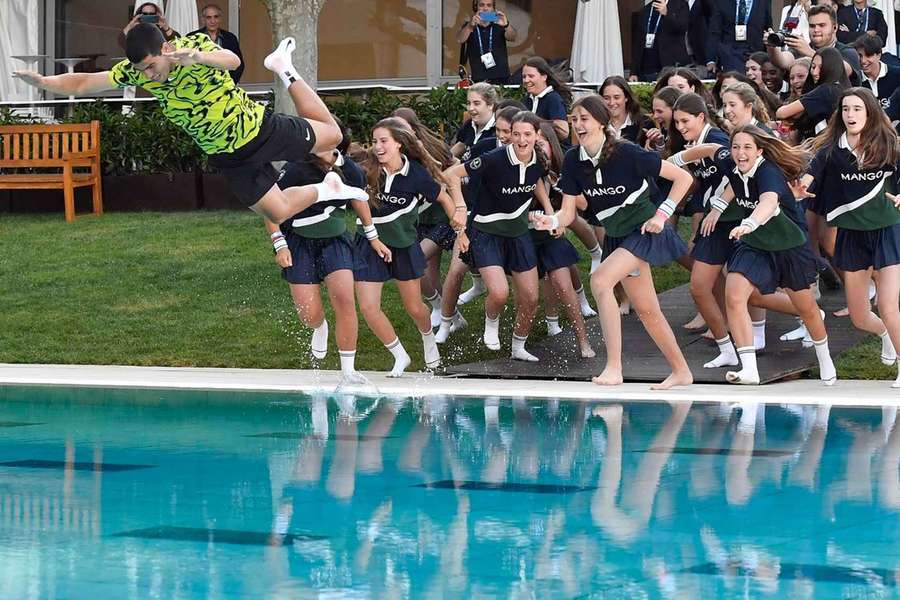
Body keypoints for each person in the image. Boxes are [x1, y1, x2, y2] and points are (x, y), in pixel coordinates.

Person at [15, 27, 363, 227]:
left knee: (332, 135)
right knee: (280, 211)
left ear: (166, 48)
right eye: (142, 71)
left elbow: (233, 61)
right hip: (227, 157)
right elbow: (83, 83)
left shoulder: (192, 48)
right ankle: (329, 188)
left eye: (152, 66)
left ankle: (284, 67)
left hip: (257, 131)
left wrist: (199, 57)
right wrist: (44, 81)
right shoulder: (137, 71)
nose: (149, 76)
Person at [536, 95, 695, 390]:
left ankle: (613, 367)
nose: (578, 124)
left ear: (601, 122)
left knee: (600, 280)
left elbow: (682, 178)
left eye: (584, 118)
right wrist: (553, 221)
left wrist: (662, 215)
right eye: (574, 119)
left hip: (644, 229)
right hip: (618, 235)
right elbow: (569, 212)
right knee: (647, 309)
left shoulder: (628, 153)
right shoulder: (574, 159)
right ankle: (681, 370)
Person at [706, 126, 836, 385]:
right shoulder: (730, 162)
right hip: (754, 244)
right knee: (734, 294)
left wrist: (750, 223)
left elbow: (768, 202)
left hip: (788, 245)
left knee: (807, 307)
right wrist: (673, 161)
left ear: (760, 151)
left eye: (747, 148)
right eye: (735, 147)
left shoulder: (768, 173)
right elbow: (709, 150)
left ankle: (825, 358)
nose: (740, 153)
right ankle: (749, 370)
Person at [263, 122, 383, 384]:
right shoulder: (296, 168)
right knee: (309, 313)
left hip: (336, 240)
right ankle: (319, 326)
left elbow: (358, 199)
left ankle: (348, 371)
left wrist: (373, 238)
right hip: (298, 241)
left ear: (336, 139)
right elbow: (269, 206)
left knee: (344, 299)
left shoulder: (350, 169)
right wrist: (279, 244)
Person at [804, 87, 900, 387]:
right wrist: (799, 187)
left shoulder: (887, 143)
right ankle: (885, 334)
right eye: (846, 109)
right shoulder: (832, 150)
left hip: (887, 231)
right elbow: (810, 175)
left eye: (857, 108)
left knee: (888, 306)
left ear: (869, 111)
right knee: (860, 317)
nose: (851, 115)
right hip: (852, 236)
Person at [355, 118, 461, 376]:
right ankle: (399, 355)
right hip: (369, 244)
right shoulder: (365, 170)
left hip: (403, 245)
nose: (378, 147)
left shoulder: (416, 174)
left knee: (414, 307)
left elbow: (443, 197)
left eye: (384, 141)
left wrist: (457, 219)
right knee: (368, 307)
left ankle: (428, 340)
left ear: (399, 144)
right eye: (375, 141)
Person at [443, 111, 552, 362]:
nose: (521, 140)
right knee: (500, 292)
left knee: (531, 297)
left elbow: (535, 179)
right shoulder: (493, 158)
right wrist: (460, 207)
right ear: (509, 135)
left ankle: (518, 346)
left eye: (527, 134)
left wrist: (548, 211)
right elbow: (451, 175)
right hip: (486, 232)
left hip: (518, 233)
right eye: (516, 134)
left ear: (537, 135)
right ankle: (491, 324)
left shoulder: (539, 159)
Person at [532, 122, 596, 358]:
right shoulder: (518, 169)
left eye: (540, 142)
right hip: (524, 235)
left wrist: (559, 189)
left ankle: (583, 339)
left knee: (561, 281)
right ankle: (549, 324)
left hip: (551, 234)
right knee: (532, 291)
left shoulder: (561, 168)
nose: (535, 146)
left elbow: (582, 205)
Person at [391, 107, 459, 329]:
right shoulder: (395, 154)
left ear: (413, 128)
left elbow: (447, 169)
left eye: (404, 128)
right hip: (419, 220)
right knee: (426, 274)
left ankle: (442, 311)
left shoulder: (432, 147)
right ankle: (449, 314)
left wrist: (422, 152)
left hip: (442, 218)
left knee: (415, 260)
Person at [767, 5, 862, 84]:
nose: (816, 30)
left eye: (821, 25)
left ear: (835, 28)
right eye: (812, 26)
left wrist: (811, 53)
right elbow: (782, 62)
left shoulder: (848, 51)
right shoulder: (802, 48)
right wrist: (771, 46)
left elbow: (843, 70)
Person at [776, 46, 850, 141]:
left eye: (821, 67)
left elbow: (781, 113)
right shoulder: (842, 87)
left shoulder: (827, 90)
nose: (815, 72)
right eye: (813, 67)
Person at [628, 0, 690, 82]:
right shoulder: (645, 10)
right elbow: (637, 44)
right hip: (647, 66)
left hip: (670, 65)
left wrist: (667, 14)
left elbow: (682, 28)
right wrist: (633, 71)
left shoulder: (680, 5)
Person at [456, 0, 517, 84]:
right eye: (481, 5)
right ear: (476, 7)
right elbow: (460, 39)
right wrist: (470, 26)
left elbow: (512, 37)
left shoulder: (499, 24)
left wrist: (506, 25)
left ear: (493, 9)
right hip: (478, 77)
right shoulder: (469, 25)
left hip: (502, 77)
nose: (485, 8)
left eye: (489, 5)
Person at [706, 0, 772, 73]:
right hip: (730, 54)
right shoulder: (721, 2)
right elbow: (714, 32)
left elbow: (768, 27)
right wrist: (711, 60)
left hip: (756, 52)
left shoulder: (764, 2)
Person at [189, 3, 244, 83]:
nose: (213, 21)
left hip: (224, 84)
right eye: (209, 17)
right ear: (203, 19)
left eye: (216, 17)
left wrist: (231, 82)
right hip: (200, 84)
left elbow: (239, 64)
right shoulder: (193, 37)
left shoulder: (230, 38)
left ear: (220, 19)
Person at [522, 57, 572, 140]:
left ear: (544, 77)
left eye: (531, 76)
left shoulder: (553, 99)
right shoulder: (527, 100)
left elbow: (563, 132)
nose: (526, 80)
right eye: (524, 77)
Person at [451, 82, 498, 158]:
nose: (470, 108)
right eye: (468, 103)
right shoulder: (469, 125)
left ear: (490, 105)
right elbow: (460, 146)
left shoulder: (498, 129)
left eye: (476, 103)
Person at [855, 35, 900, 106]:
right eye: (860, 55)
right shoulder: (854, 80)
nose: (863, 61)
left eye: (868, 55)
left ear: (879, 55)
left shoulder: (897, 75)